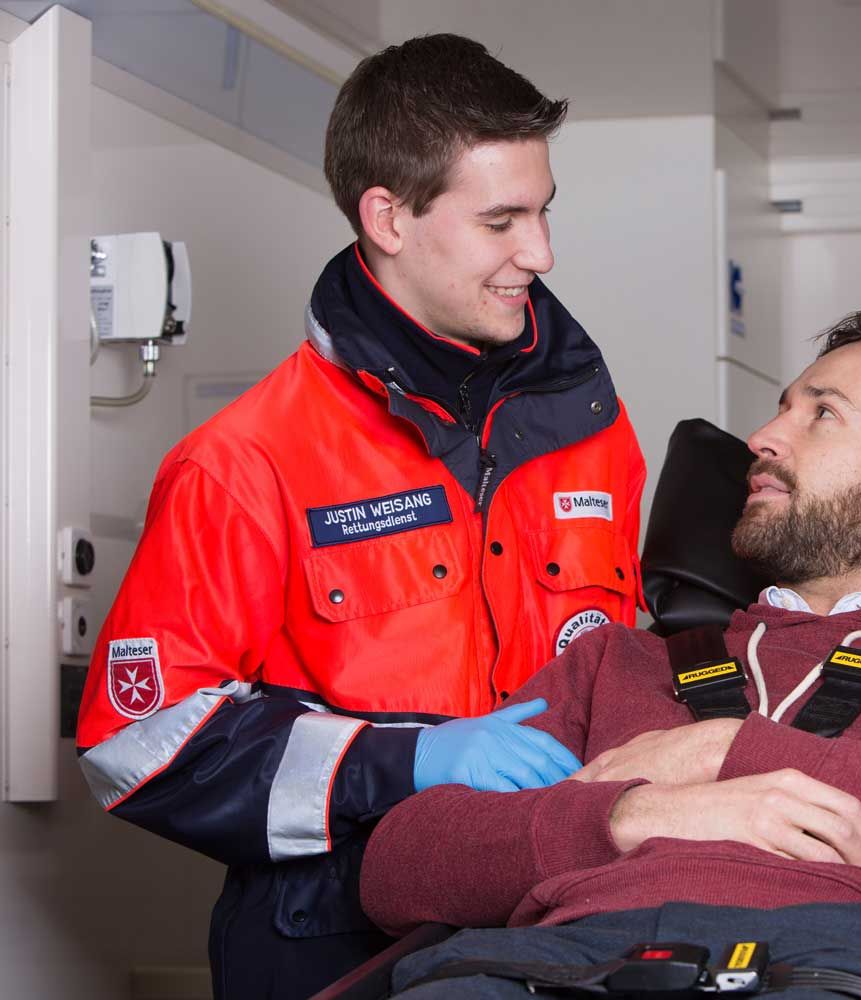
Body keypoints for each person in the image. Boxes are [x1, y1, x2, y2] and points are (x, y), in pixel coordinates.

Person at [74, 35, 646, 999]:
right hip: (331, 939)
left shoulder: (594, 427)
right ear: (387, 215)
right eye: (501, 220)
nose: (540, 255)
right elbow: (139, 744)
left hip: (560, 922)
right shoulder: (246, 460)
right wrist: (406, 760)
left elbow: (623, 658)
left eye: (544, 213)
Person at [358, 312, 861, 1000]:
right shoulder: (617, 661)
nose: (763, 438)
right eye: (782, 407)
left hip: (834, 969)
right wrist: (631, 815)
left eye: (822, 413)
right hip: (559, 967)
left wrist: (728, 749)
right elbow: (399, 867)